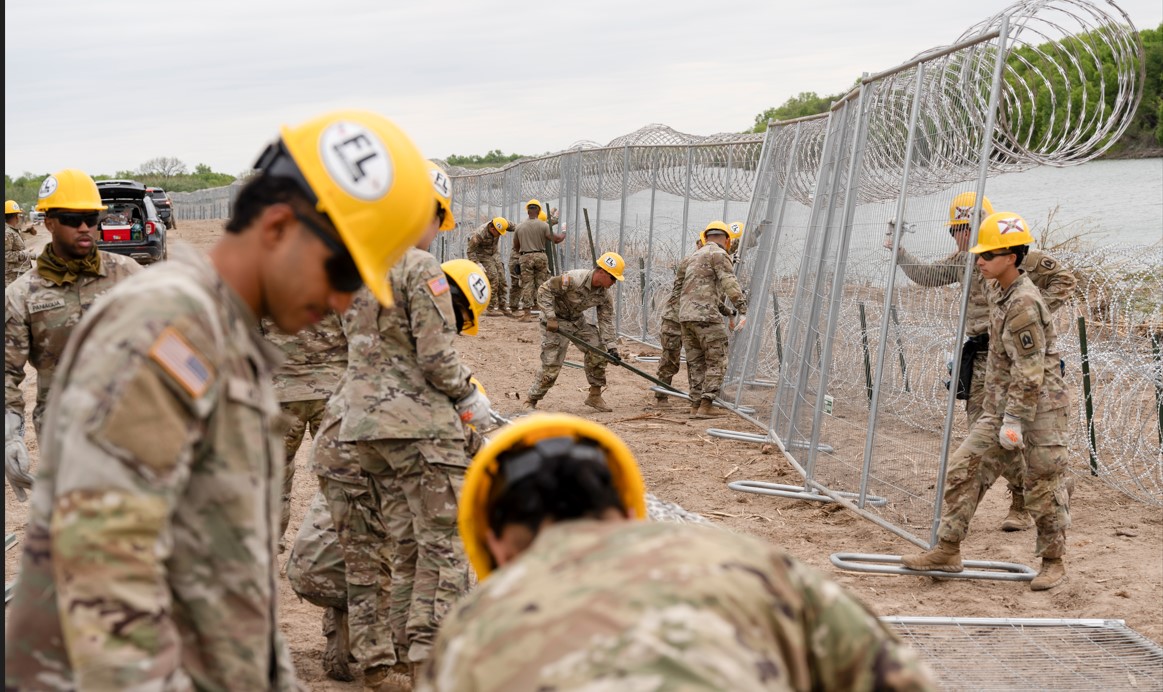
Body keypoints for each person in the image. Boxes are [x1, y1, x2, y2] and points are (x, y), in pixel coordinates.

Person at [4, 110, 434, 690]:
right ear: (279, 227)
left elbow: (227, 583)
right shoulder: (164, 332)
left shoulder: (223, 340)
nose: (340, 302)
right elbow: (103, 603)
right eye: (342, 273)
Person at [415, 413, 937, 691]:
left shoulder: (473, 624)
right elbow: (899, 680)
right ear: (625, 509)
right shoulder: (748, 563)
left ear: (494, 542)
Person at [308, 161, 492, 691]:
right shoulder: (421, 267)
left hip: (362, 432)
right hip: (421, 430)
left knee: (395, 548)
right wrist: (467, 397)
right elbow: (435, 359)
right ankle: (430, 663)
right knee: (442, 548)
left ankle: (385, 667)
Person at [902, 212, 1072, 592]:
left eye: (987, 255)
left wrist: (1013, 419)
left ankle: (1053, 562)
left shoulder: (1025, 303)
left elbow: (1031, 370)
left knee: (1042, 483)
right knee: (965, 468)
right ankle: (948, 549)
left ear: (1011, 256)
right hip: (1000, 401)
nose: (979, 261)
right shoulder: (999, 289)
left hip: (1039, 406)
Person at [4, 170, 141, 501]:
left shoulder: (129, 276)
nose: (84, 227)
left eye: (91, 218)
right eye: (71, 218)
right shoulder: (22, 295)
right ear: (49, 222)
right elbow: (7, 373)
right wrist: (10, 435)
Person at [260, 308, 347, 552]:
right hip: (334, 390)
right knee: (340, 478)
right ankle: (339, 552)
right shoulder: (339, 273)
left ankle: (269, 548)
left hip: (281, 391)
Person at [525, 251, 623, 412]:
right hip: (554, 321)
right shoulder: (573, 279)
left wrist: (611, 348)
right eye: (613, 278)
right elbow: (544, 290)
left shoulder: (604, 295)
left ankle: (595, 396)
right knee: (552, 364)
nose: (614, 283)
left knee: (598, 350)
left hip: (577, 321)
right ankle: (531, 400)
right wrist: (550, 316)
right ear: (602, 272)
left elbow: (605, 320)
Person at [675, 220, 748, 419]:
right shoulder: (719, 254)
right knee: (717, 359)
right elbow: (729, 282)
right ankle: (707, 404)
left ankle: (695, 404)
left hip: (686, 317)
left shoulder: (691, 257)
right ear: (726, 240)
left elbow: (678, 289)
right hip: (706, 316)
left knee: (695, 361)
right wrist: (742, 307)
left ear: (705, 237)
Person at [653, 237, 702, 408]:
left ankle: (697, 398)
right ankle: (661, 395)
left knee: (695, 358)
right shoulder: (691, 262)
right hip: (675, 317)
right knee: (670, 358)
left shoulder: (711, 261)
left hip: (692, 318)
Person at [513, 198, 565, 320]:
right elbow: (556, 239)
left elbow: (516, 246)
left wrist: (525, 249)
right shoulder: (544, 225)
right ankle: (541, 311)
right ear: (539, 211)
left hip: (525, 256)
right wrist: (564, 232)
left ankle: (527, 313)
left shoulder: (519, 227)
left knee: (527, 284)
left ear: (527, 212)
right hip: (541, 256)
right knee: (541, 283)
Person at [465, 216, 512, 316]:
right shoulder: (479, 235)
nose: (499, 234)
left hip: (494, 254)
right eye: (498, 232)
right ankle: (490, 308)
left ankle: (502, 306)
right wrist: (477, 263)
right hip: (482, 256)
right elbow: (470, 251)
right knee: (493, 278)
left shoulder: (500, 224)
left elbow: (513, 227)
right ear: (492, 228)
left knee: (502, 279)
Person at [5, 199, 33, 286]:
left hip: (18, 276)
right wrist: (24, 253)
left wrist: (31, 255)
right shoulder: (7, 232)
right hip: (12, 279)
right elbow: (6, 255)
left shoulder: (12, 230)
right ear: (16, 216)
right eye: (18, 214)